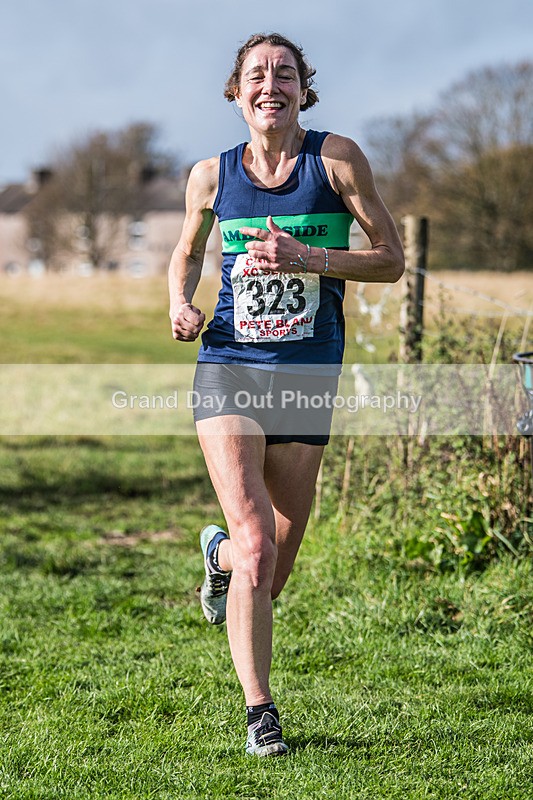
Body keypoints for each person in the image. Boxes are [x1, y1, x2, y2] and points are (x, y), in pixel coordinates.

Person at [168, 32, 404, 757]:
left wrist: (309, 257)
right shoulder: (209, 175)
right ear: (235, 92)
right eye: (255, 74)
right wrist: (180, 301)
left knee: (274, 562)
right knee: (256, 543)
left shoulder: (334, 162)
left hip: (306, 374)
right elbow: (187, 248)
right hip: (230, 364)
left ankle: (220, 564)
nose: (270, 84)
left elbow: (391, 261)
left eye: (285, 73)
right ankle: (259, 712)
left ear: (304, 89)